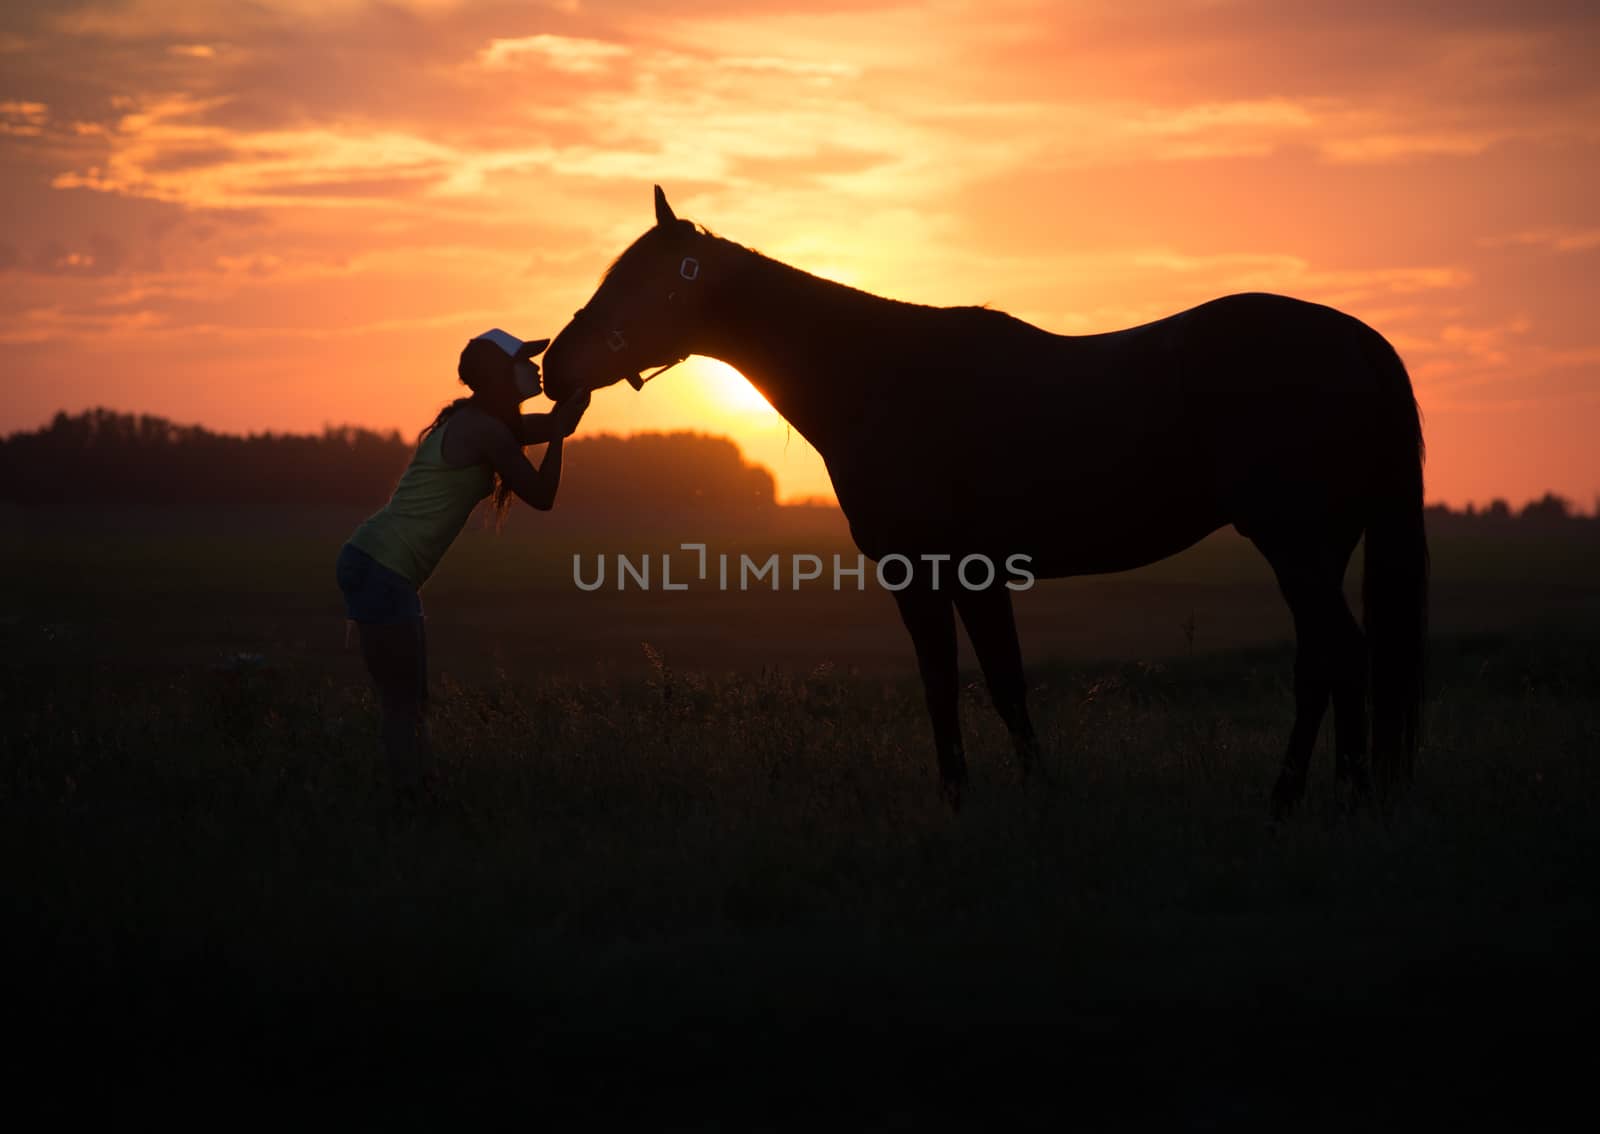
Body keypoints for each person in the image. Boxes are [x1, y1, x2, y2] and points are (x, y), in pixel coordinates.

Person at [335, 329, 590, 799]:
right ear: (498, 374)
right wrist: (557, 434)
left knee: (406, 701)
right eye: (523, 361)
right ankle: (410, 801)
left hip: (373, 559)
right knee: (403, 705)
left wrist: (567, 413)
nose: (535, 368)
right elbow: (542, 495)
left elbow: (554, 425)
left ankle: (415, 792)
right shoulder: (487, 431)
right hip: (383, 566)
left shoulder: (480, 423)